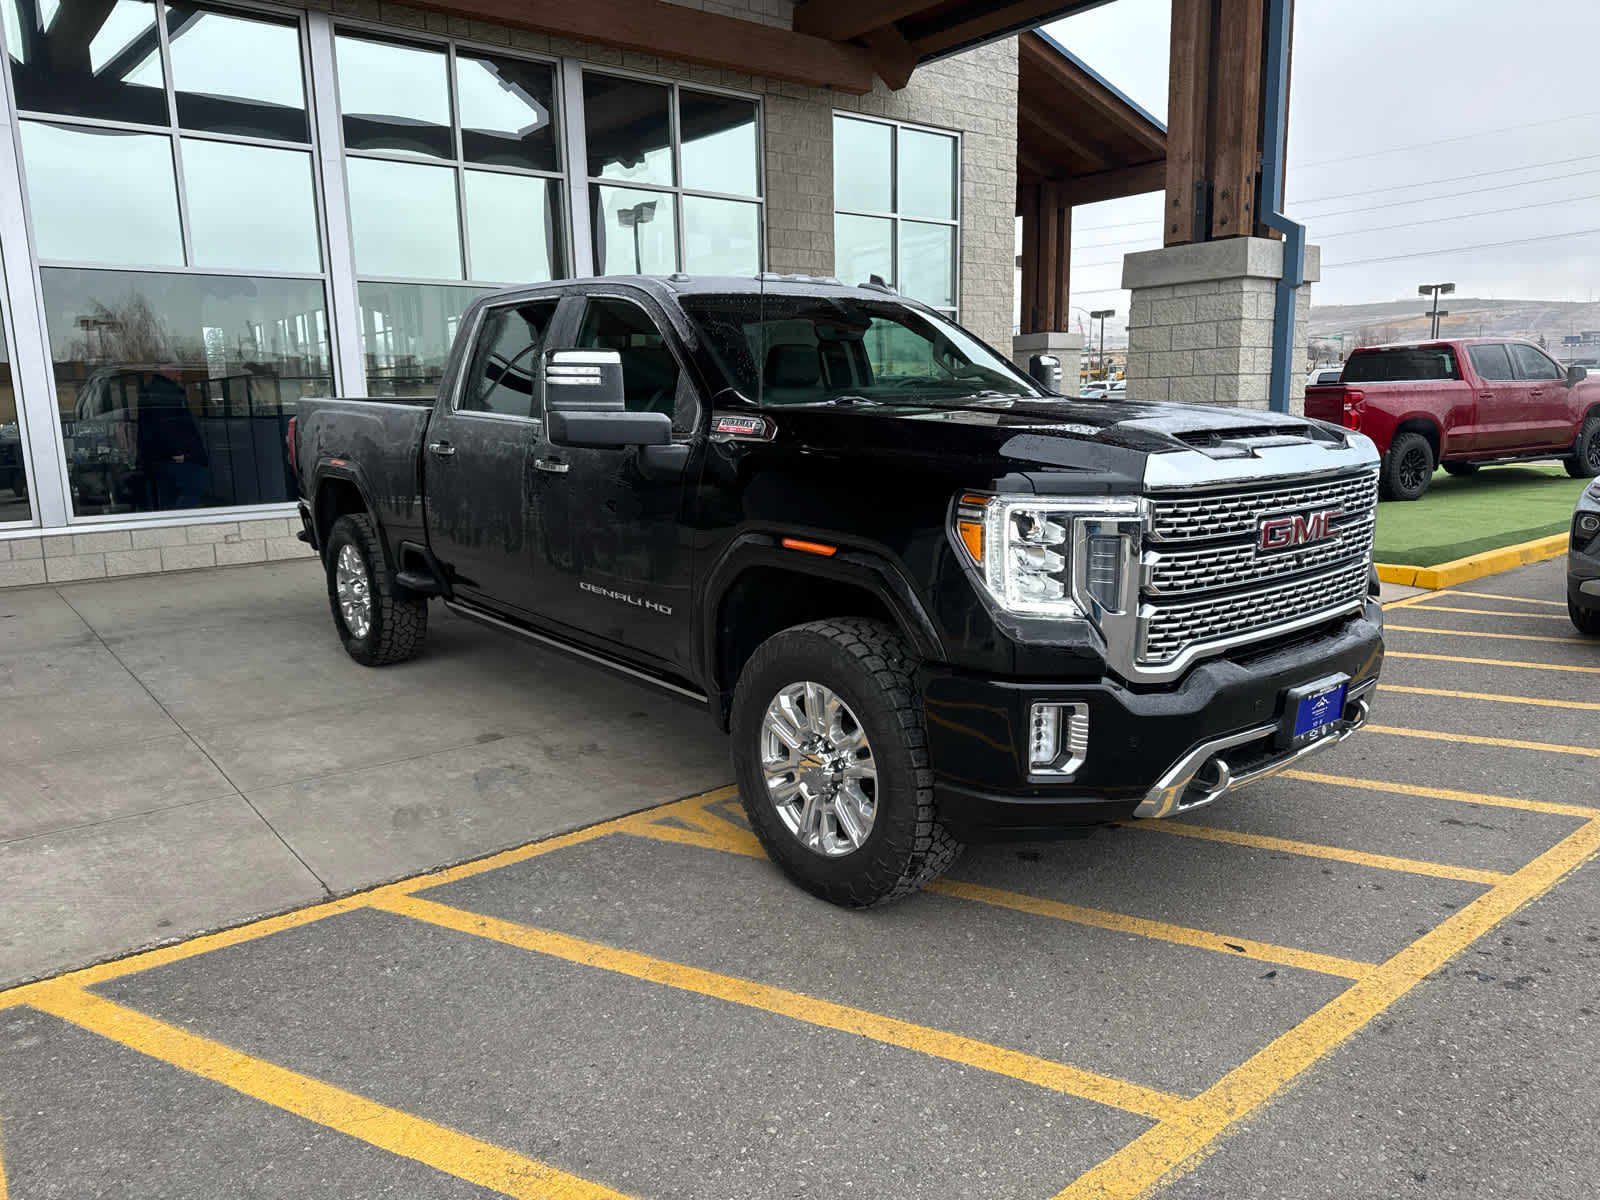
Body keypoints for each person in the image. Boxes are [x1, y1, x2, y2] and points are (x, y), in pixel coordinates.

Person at [136, 364, 209, 510]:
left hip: (161, 457)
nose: (180, 371)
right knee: (193, 488)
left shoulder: (153, 389)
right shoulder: (165, 391)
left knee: (169, 497)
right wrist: (179, 452)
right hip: (176, 458)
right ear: (164, 368)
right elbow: (166, 423)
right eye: (176, 367)